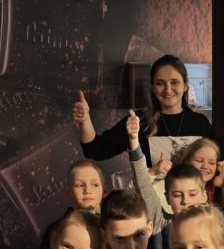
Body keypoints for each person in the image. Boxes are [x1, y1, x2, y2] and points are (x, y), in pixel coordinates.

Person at [74, 54, 212, 169]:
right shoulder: (139, 122)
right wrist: (84, 120)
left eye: (174, 82)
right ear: (153, 88)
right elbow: (96, 150)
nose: (168, 89)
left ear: (185, 85)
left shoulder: (200, 123)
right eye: (160, 83)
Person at [127, 110, 208, 249]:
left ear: (204, 195)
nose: (185, 201)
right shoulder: (161, 222)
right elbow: (142, 182)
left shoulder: (213, 225)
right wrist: (133, 140)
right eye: (177, 195)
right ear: (167, 197)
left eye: (192, 194)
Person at [33, 160, 107, 249]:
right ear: (68, 192)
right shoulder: (56, 229)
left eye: (95, 185)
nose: (87, 191)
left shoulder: (110, 227)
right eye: (79, 185)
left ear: (104, 191)